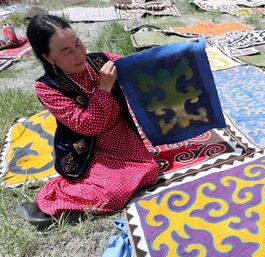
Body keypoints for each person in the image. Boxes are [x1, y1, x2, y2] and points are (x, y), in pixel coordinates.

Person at [17, 15, 159, 226]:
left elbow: (138, 67)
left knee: (149, 171)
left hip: (122, 139)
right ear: (48, 58)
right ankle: (52, 197)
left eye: (78, 44)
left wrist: (177, 55)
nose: (79, 54)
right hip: (90, 150)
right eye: (66, 51)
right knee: (113, 193)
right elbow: (87, 126)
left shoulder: (100, 61)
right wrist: (104, 88)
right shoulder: (47, 87)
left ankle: (83, 188)